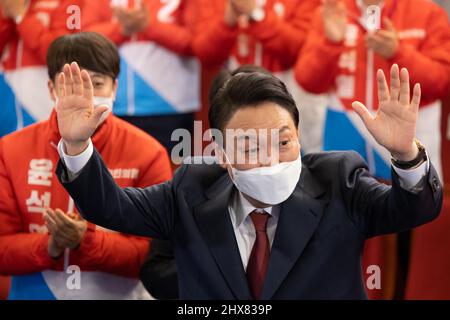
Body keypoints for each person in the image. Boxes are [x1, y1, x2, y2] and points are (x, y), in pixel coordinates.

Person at [55, 61, 442, 299]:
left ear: (298, 135)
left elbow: (413, 208)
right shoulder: (191, 189)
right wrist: (76, 145)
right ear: (221, 154)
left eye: (283, 141)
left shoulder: (338, 179)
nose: (270, 158)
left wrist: (406, 155)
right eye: (250, 147)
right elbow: (112, 207)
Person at [0, 32, 172, 300]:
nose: (86, 96)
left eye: (97, 84)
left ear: (115, 88)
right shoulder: (9, 150)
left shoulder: (148, 153)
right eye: (72, 85)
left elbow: (154, 257)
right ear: (51, 89)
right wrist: (51, 245)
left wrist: (86, 240)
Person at [295, 0, 450, 179]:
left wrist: (398, 52)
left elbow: (442, 81)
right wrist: (330, 44)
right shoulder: (331, 9)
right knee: (339, 202)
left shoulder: (427, 12)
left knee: (414, 200)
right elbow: (307, 81)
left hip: (406, 138)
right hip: (344, 133)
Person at [63, 0, 200, 153]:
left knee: (174, 173)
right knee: (116, 171)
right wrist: (121, 30)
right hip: (113, 107)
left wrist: (149, 26)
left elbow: (197, 43)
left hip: (172, 107)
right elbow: (83, 38)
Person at [193, 0, 325, 154]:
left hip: (288, 97)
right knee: (241, 159)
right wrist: (228, 22)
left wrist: (257, 15)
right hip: (237, 96)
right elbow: (205, 54)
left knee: (288, 156)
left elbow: (299, 49)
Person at [0, 0, 71, 137]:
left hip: (43, 109)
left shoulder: (68, 3)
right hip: (6, 109)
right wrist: (7, 19)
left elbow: (60, 55)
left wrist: (21, 16)